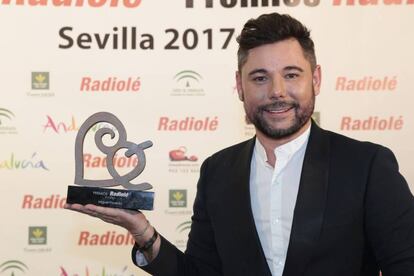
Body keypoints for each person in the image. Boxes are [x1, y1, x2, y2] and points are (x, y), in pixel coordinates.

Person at [65, 12, 414, 276]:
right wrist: (143, 233)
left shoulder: (366, 166)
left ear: (316, 79)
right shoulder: (218, 171)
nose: (277, 91)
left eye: (291, 75)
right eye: (260, 78)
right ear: (240, 86)